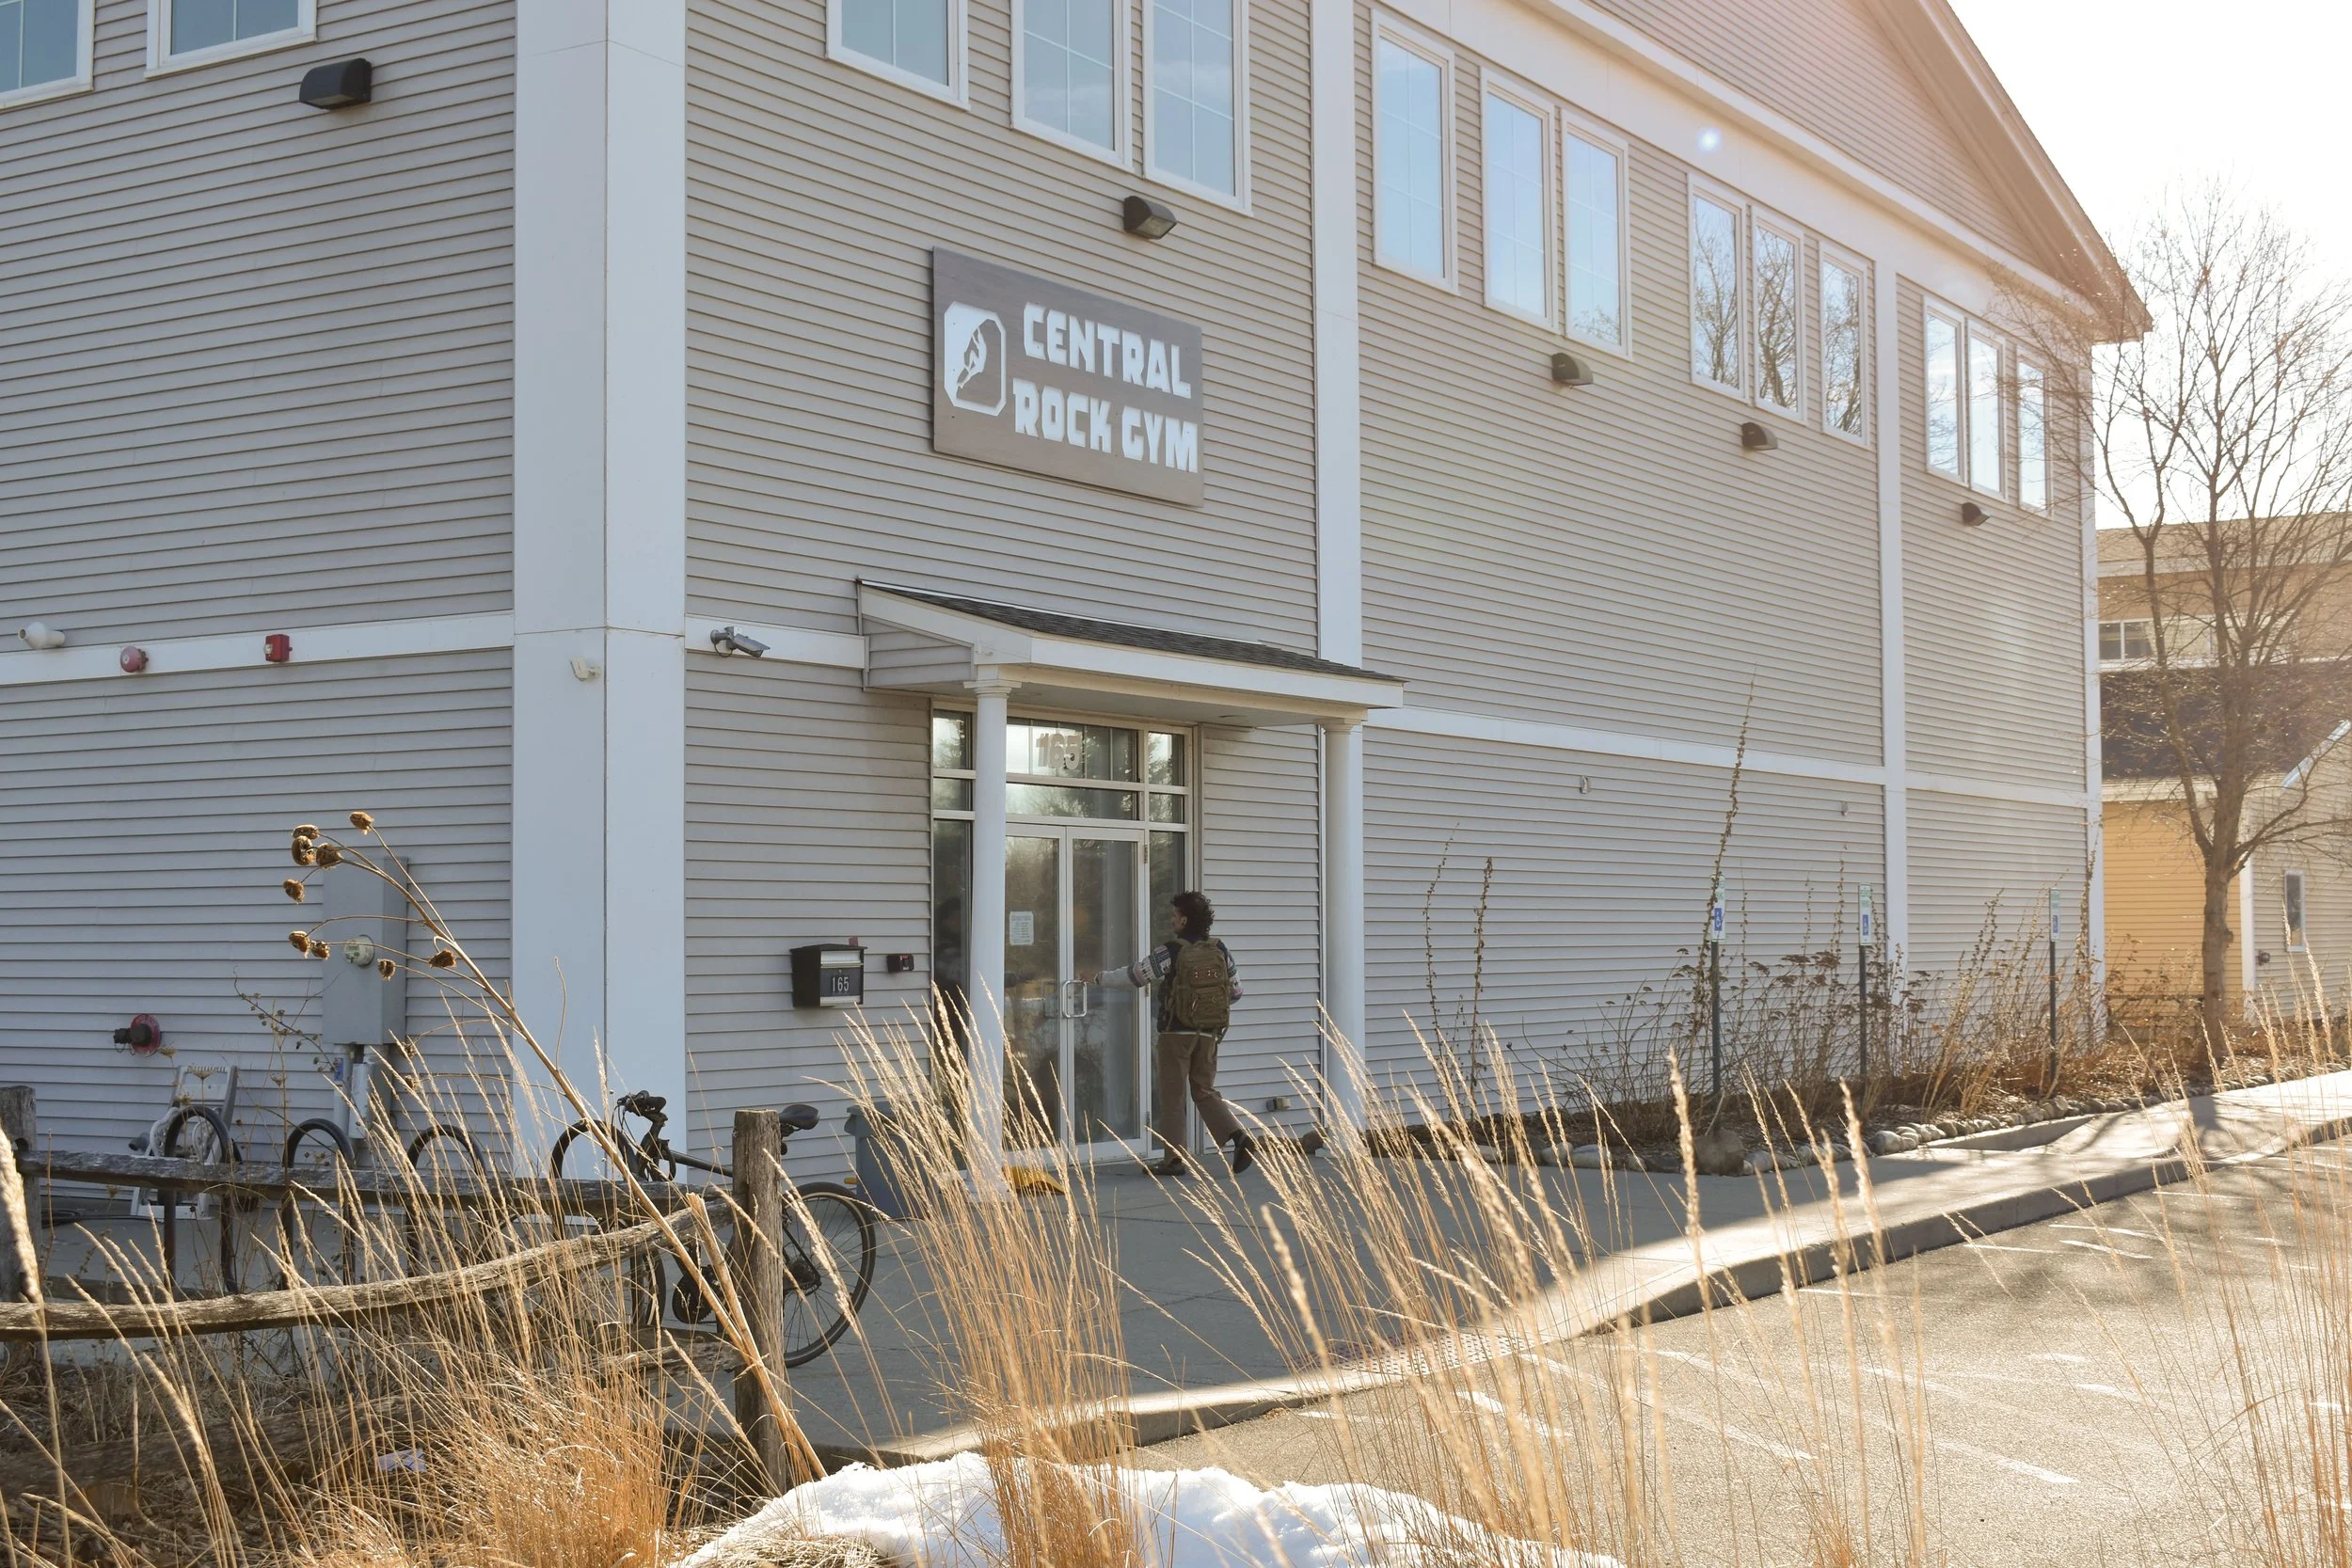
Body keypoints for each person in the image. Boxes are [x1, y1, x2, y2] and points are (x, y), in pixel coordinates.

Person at [1090, 890, 1253, 1177]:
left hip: (1176, 1033)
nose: (1172, 919)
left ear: (1185, 919)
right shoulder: (1219, 949)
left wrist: (1098, 978)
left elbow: (1136, 976)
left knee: (1173, 1097)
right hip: (1209, 1034)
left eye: (1175, 915)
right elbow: (1236, 992)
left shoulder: (1171, 951)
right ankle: (1238, 1137)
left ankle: (1174, 1160)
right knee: (1204, 1090)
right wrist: (1205, 1007)